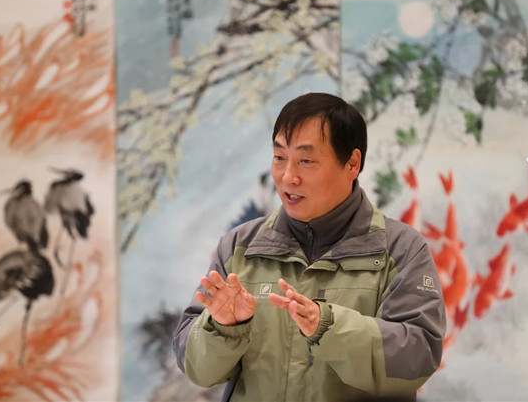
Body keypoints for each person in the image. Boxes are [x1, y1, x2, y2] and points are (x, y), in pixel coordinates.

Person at [173, 93, 446, 402]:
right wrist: (223, 328)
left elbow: (419, 357)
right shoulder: (239, 247)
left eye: (306, 161)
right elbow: (196, 367)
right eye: (279, 157)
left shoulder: (400, 250)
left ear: (352, 163)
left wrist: (329, 328)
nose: (288, 176)